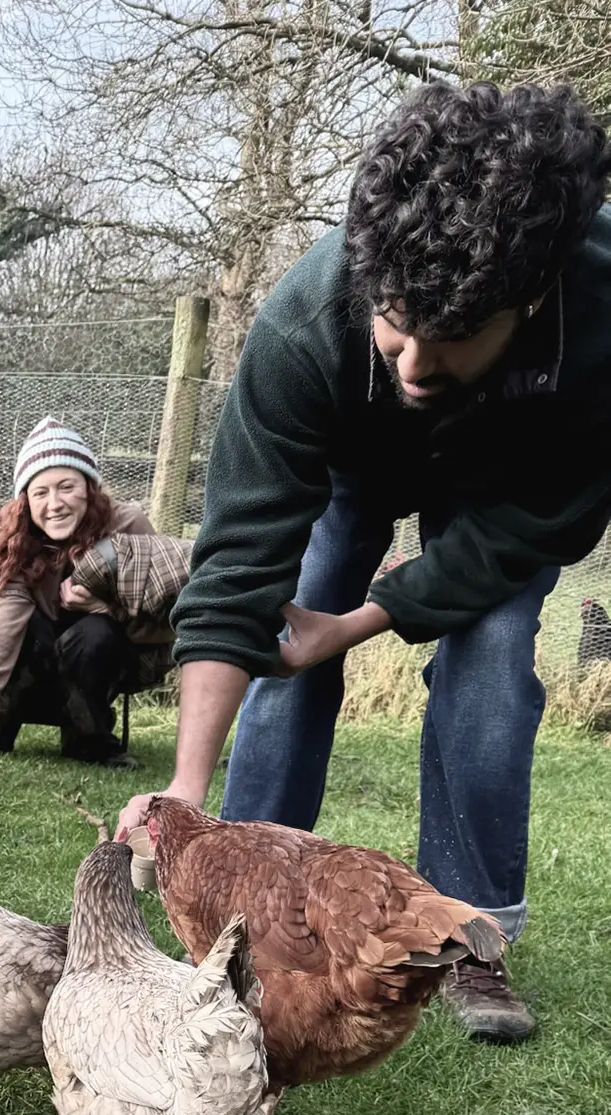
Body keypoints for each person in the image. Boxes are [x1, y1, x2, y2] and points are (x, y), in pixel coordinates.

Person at [118, 81, 611, 1043]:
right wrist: (183, 790)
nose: (415, 361)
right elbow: (239, 564)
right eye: (395, 320)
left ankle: (470, 940)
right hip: (349, 459)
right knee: (290, 633)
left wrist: (360, 623)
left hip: (510, 481)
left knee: (492, 664)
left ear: (533, 295)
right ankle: (245, 913)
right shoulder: (305, 326)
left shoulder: (599, 312)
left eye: (454, 335)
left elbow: (541, 520)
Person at [0, 417, 185, 766]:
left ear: (89, 488)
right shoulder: (12, 542)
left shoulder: (129, 527)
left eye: (66, 487)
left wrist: (107, 609)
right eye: (40, 492)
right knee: (19, 625)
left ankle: (89, 740)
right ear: (25, 503)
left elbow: (168, 622)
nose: (55, 503)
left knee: (93, 632)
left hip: (107, 659)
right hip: (38, 658)